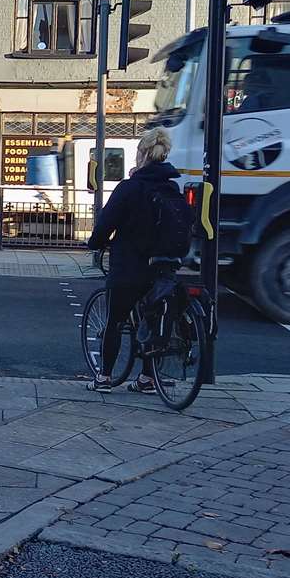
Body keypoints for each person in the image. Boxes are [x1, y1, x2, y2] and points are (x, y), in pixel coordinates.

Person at [86, 126, 193, 394]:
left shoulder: (129, 188)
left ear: (142, 154)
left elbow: (105, 224)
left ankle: (105, 377)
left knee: (115, 321)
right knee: (153, 317)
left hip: (129, 265)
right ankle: (147, 378)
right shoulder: (172, 189)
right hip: (164, 265)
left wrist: (96, 244)